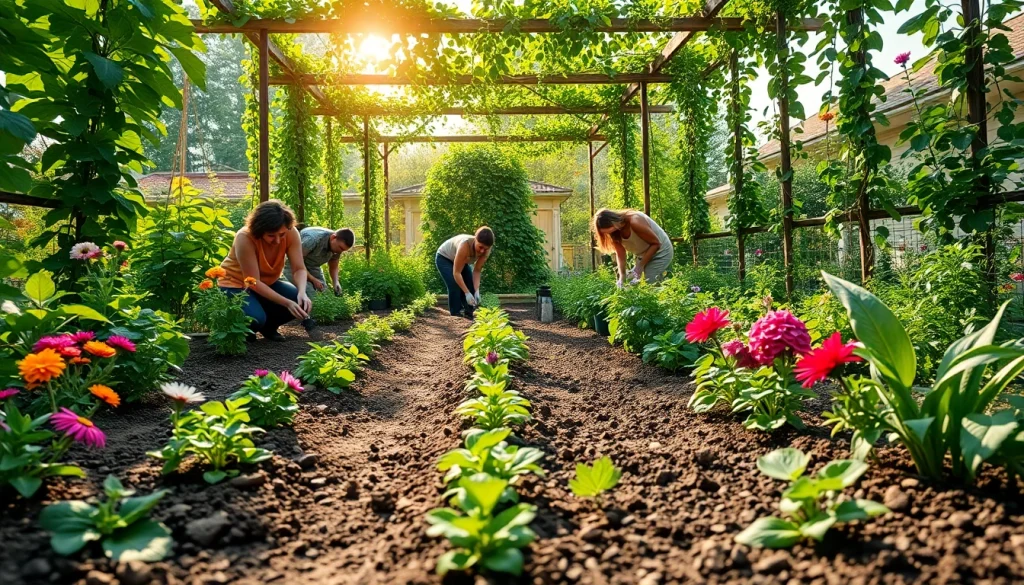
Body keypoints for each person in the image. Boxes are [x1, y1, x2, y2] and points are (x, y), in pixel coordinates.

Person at [218, 200, 312, 341]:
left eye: (281, 235)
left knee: (298, 300)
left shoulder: (291, 232)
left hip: (267, 283)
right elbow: (253, 281)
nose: (278, 241)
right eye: (271, 236)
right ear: (259, 230)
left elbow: (299, 269)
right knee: (255, 319)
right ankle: (244, 332)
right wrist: (286, 303)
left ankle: (268, 327)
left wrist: (302, 292)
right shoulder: (244, 237)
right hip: (235, 284)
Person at [592, 208, 674, 287]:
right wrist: (622, 276)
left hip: (661, 251)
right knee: (631, 281)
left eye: (608, 231)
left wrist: (640, 266)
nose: (608, 234)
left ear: (613, 222)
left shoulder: (635, 221)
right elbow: (620, 253)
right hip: (643, 255)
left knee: (650, 279)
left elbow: (656, 244)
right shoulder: (614, 232)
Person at [435, 227, 493, 318]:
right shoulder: (464, 245)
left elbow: (477, 271)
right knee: (454, 284)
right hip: (444, 258)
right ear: (475, 239)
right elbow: (456, 273)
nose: (482, 251)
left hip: (463, 261)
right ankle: (456, 313)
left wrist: (476, 290)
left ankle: (469, 312)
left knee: (471, 284)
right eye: (480, 247)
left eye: (485, 249)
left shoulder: (486, 250)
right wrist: (466, 293)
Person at [283, 226, 354, 297]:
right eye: (340, 248)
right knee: (310, 293)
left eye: (343, 250)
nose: (340, 251)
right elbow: (297, 262)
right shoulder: (312, 239)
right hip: (293, 265)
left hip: (313, 266)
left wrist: (335, 282)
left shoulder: (337, 248)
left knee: (324, 293)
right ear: (333, 238)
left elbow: (333, 266)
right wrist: (313, 280)